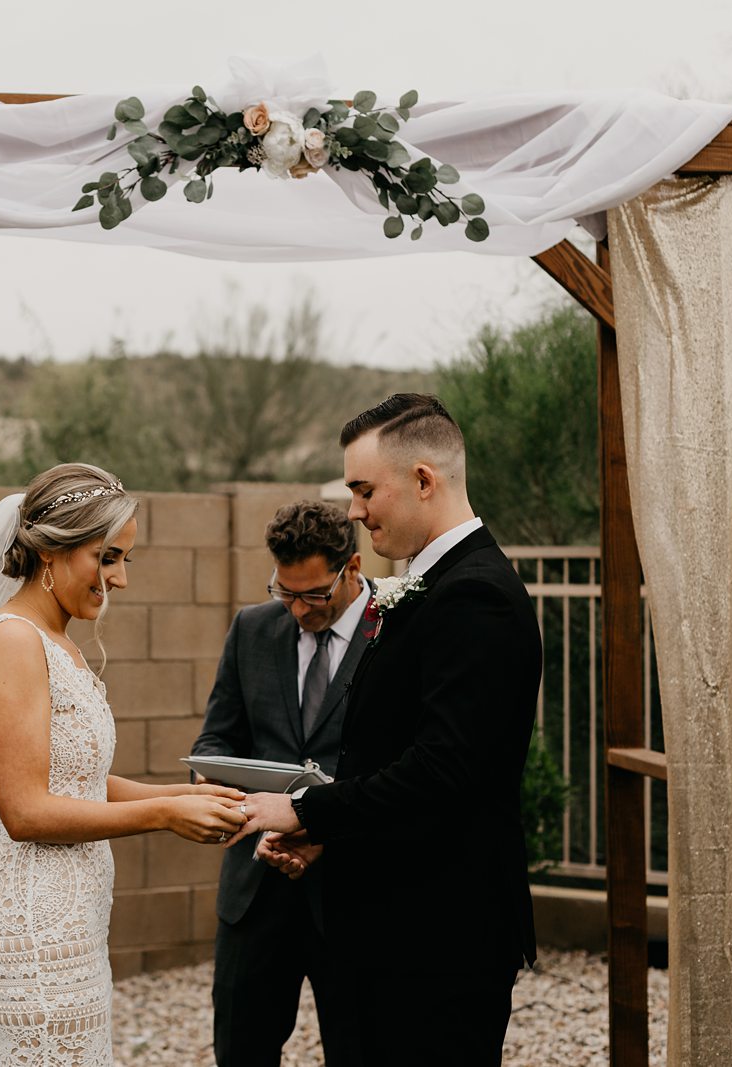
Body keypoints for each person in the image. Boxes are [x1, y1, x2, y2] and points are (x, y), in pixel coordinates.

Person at [0, 462, 247, 1066]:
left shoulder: (55, 641)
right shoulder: (12, 642)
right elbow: (25, 809)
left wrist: (192, 795)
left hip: (71, 919)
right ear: (52, 552)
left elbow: (74, 781)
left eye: (126, 560)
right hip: (32, 923)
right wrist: (164, 813)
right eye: (107, 558)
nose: (120, 579)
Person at [228, 394, 542, 1067]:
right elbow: (393, 756)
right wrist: (324, 839)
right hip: (391, 931)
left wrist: (305, 808)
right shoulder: (431, 586)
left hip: (438, 941)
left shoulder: (476, 595)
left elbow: (443, 771)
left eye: (364, 489)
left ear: (423, 480)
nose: (354, 511)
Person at [190, 500, 371, 1066]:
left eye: (313, 595)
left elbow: (407, 767)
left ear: (353, 569)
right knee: (241, 1051)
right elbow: (216, 743)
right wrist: (234, 801)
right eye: (283, 591)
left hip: (354, 889)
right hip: (255, 888)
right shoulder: (251, 628)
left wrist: (323, 830)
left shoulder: (395, 633)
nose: (297, 609)